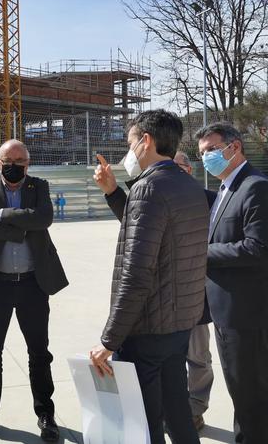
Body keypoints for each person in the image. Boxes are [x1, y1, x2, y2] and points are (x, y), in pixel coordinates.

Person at [89, 110, 209, 444]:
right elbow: (153, 236)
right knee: (178, 414)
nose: (128, 152)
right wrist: (113, 192)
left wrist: (109, 340)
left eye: (130, 143)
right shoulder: (188, 185)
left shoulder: (149, 188)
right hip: (179, 325)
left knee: (143, 423)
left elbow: (136, 275)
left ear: (146, 141)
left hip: (147, 331)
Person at [195, 122, 268, 444]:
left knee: (252, 398)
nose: (206, 158)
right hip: (229, 311)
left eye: (211, 150)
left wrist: (199, 253)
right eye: (202, 153)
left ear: (234, 147)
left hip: (248, 313)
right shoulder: (227, 188)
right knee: (242, 393)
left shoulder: (256, 187)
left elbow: (259, 248)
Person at [0, 139, 68, 443]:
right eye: (8, 160)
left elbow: (44, 218)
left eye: (20, 161)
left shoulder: (39, 186)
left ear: (28, 163)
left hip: (32, 283)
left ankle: (46, 413)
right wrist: (23, 226)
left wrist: (3, 215)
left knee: (39, 353)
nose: (14, 166)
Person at [174, 151, 214, 431]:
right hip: (165, 298)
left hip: (197, 295)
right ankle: (173, 408)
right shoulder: (157, 202)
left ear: (189, 170)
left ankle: (195, 409)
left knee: (198, 357)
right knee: (167, 359)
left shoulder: (211, 201)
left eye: (177, 167)